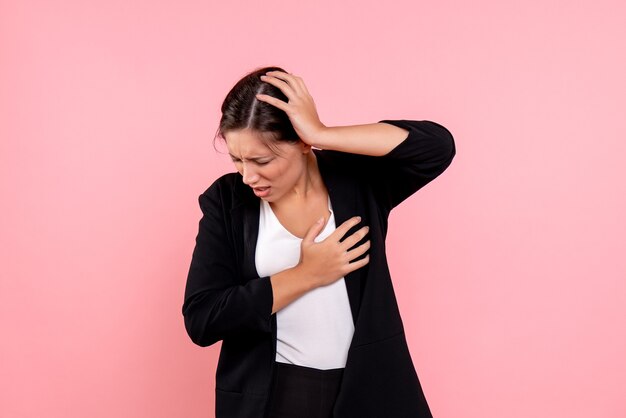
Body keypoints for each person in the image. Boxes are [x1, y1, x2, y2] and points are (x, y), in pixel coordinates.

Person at [182, 66, 456, 418]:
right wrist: (307, 273)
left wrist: (322, 131)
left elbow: (437, 147)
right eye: (237, 159)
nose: (248, 176)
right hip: (275, 396)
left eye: (261, 160)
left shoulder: (358, 180)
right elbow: (203, 319)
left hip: (368, 390)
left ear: (301, 143)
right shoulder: (227, 201)